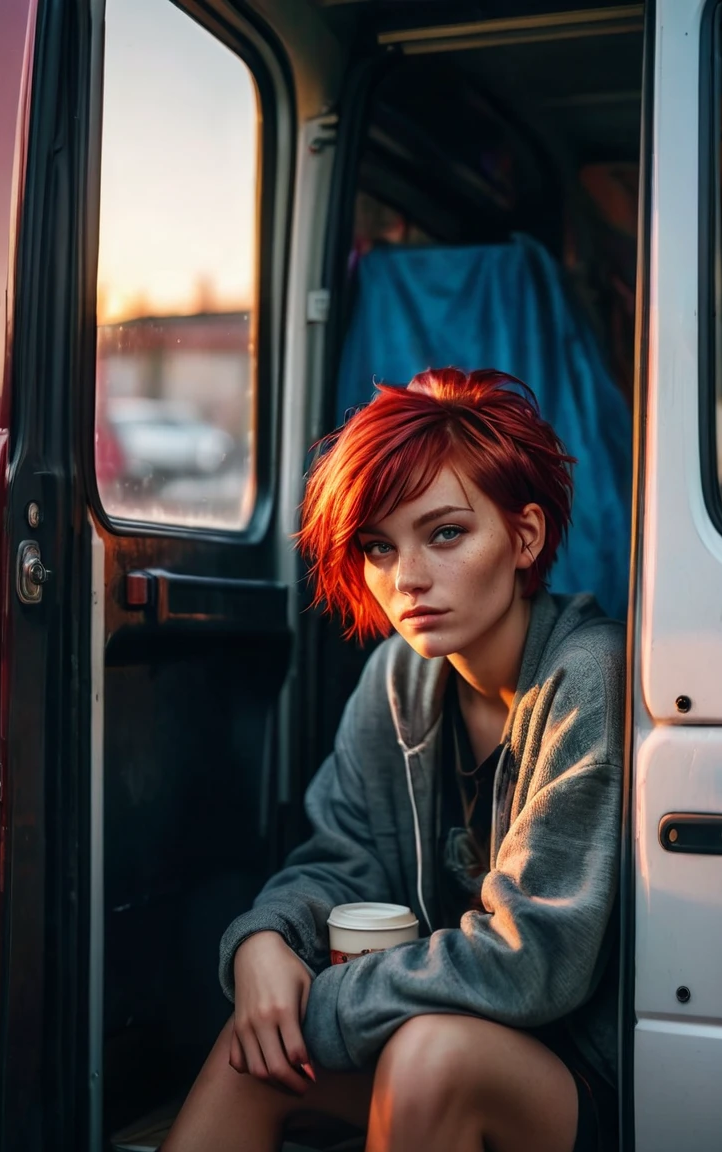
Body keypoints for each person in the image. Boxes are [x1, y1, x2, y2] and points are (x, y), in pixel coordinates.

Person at [163, 367, 624, 1152]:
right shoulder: (400, 676)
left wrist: (324, 1005)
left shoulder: (589, 676)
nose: (406, 578)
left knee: (428, 1056)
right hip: (437, 1031)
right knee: (255, 1054)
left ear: (525, 537)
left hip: (587, 1077)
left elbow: (534, 958)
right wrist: (265, 942)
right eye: (379, 546)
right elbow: (340, 860)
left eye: (445, 533)